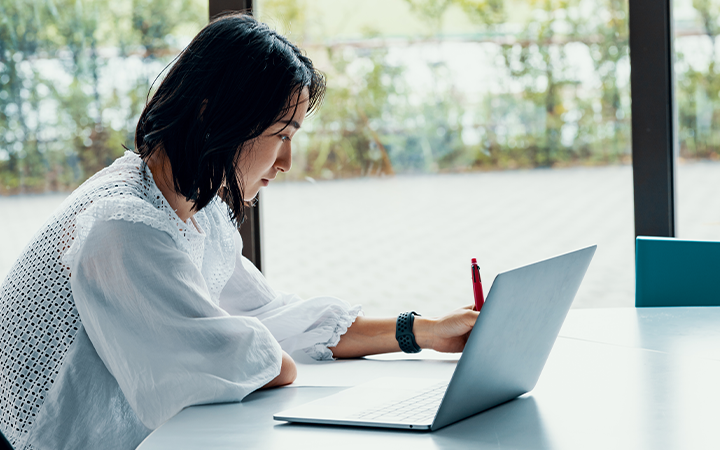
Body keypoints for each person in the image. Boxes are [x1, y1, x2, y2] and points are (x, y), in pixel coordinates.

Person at [0, 13, 478, 450]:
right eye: (283, 134)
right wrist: (266, 353)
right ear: (216, 114)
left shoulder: (194, 206)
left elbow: (272, 318)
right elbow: (234, 362)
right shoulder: (123, 226)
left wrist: (426, 331)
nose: (288, 161)